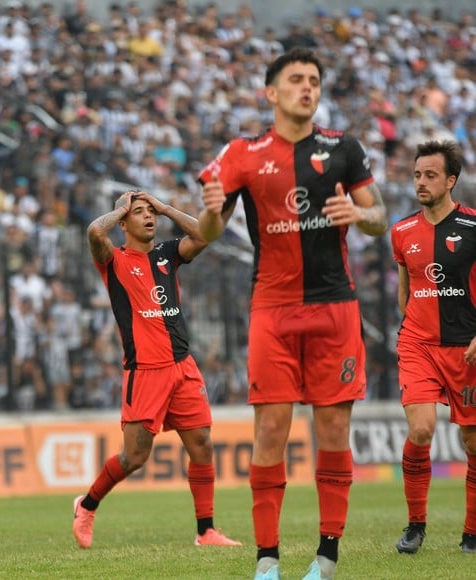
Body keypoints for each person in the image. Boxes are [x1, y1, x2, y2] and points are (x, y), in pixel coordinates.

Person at [197, 47, 389, 580]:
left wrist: (363, 214)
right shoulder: (241, 152)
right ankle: (267, 560)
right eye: (296, 79)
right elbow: (208, 232)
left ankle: (327, 555)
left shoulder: (343, 148)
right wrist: (213, 213)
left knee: (332, 428)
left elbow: (379, 216)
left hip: (335, 308)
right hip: (273, 310)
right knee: (271, 429)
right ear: (271, 91)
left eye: (314, 80)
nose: (307, 88)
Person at [72, 189, 241, 550]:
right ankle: (87, 505)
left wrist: (167, 208)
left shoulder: (167, 255)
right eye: (139, 212)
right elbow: (93, 233)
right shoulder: (113, 259)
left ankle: (206, 530)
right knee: (134, 456)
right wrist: (117, 210)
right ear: (123, 222)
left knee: (202, 445)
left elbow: (204, 235)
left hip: (183, 367)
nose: (148, 216)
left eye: (151, 211)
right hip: (145, 372)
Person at [390, 140, 476, 555]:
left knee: (473, 444)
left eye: (430, 175)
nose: (421, 182)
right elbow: (406, 293)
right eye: (417, 174)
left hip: (466, 349)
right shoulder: (402, 231)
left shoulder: (475, 227)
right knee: (421, 430)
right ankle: (415, 525)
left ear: (451, 181)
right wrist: (409, 330)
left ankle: (472, 533)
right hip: (418, 345)